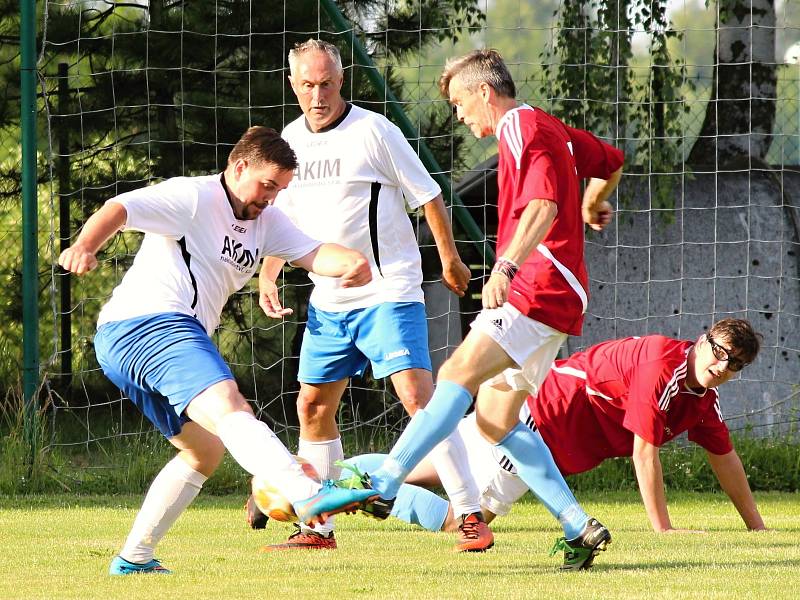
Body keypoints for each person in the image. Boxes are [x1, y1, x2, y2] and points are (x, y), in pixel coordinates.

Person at [58, 126, 379, 575]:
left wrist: (350, 261)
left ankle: (134, 558)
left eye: (281, 189)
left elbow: (311, 253)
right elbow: (121, 208)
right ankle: (308, 493)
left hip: (137, 338)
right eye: (268, 185)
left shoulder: (266, 220)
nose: (271, 197)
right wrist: (85, 246)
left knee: (202, 451)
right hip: (149, 323)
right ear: (238, 165)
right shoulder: (192, 197)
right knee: (230, 405)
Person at [364, 49, 624, 570]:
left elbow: (544, 206)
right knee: (494, 418)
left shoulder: (517, 127)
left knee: (455, 372)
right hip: (562, 296)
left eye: (460, 102)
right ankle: (578, 525)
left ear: (485, 92)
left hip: (538, 286)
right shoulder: (550, 126)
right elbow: (611, 160)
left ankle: (384, 481)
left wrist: (505, 267)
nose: (460, 115)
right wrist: (594, 200)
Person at [258, 39, 489, 552]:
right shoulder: (289, 142)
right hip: (328, 300)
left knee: (417, 399)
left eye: (327, 83)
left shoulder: (374, 131)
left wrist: (449, 258)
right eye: (307, 85)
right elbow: (283, 222)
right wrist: (269, 274)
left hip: (389, 289)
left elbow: (427, 192)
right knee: (313, 406)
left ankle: (472, 514)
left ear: (342, 81)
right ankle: (318, 529)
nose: (317, 95)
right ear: (292, 85)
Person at [311, 320, 767, 536]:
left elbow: (724, 457)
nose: (723, 366)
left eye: (736, 365)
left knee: (429, 471)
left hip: (534, 417)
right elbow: (643, 452)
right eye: (720, 352)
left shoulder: (702, 397)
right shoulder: (661, 366)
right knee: (462, 523)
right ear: (703, 339)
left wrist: (757, 528)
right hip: (537, 421)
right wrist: (664, 532)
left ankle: (313, 480)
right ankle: (326, 485)